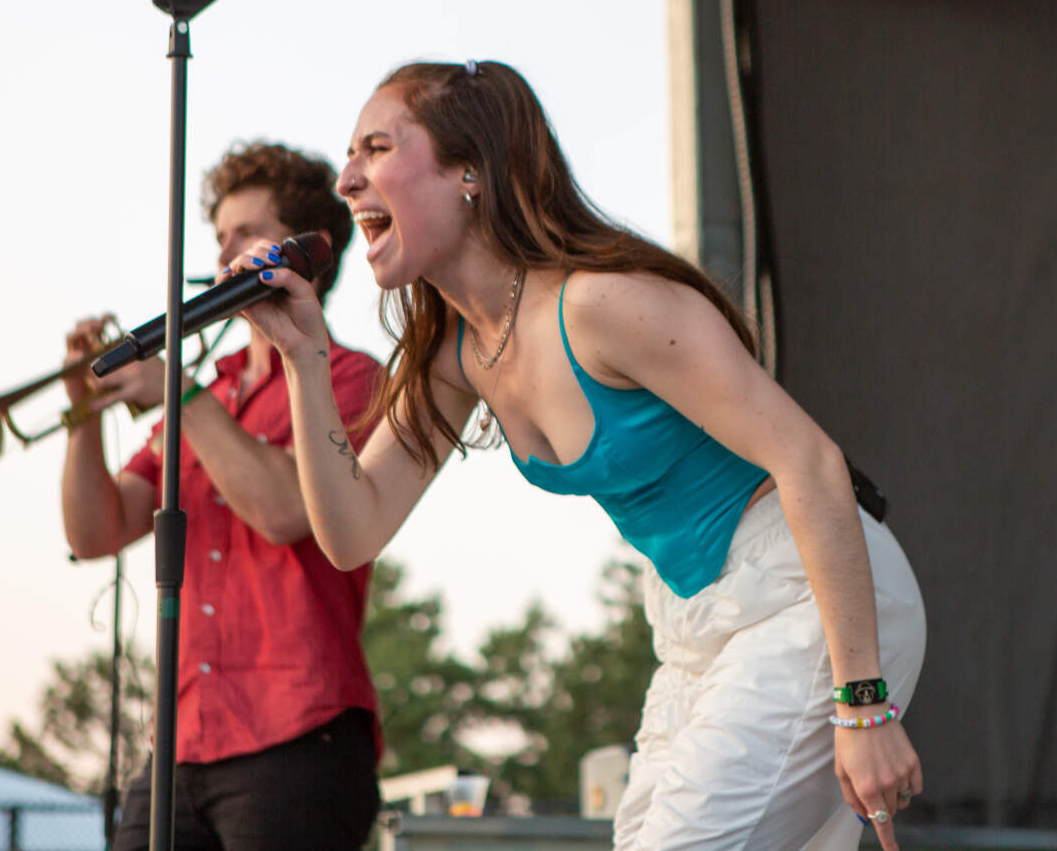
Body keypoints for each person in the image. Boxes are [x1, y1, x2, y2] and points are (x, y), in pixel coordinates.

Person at [228, 59, 927, 851]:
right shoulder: (455, 358)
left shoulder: (601, 303)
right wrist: (303, 362)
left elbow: (812, 463)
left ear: (470, 172)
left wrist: (862, 703)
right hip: (696, 623)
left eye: (376, 148)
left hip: (806, 591)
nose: (348, 179)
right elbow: (351, 531)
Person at [60, 142, 385, 851]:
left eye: (245, 233)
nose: (222, 255)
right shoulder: (212, 389)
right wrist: (82, 416)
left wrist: (177, 393)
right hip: (181, 742)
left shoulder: (354, 379)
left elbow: (285, 512)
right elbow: (96, 534)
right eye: (219, 238)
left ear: (304, 252)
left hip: (299, 739)